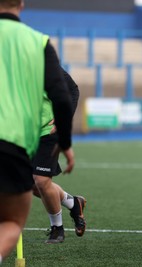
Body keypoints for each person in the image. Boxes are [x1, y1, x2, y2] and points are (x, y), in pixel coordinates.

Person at [0, 0, 74, 262]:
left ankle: (59, 223)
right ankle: (72, 203)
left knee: (40, 182)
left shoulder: (35, 49)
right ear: (21, 4)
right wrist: (67, 143)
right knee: (17, 211)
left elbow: (68, 93)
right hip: (16, 138)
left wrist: (60, 129)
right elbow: (62, 97)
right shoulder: (35, 43)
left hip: (41, 132)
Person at [31, 69, 86, 244]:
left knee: (40, 180)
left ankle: (57, 228)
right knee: (30, 185)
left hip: (47, 130)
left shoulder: (40, 60)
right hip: (18, 134)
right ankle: (73, 202)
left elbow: (72, 89)